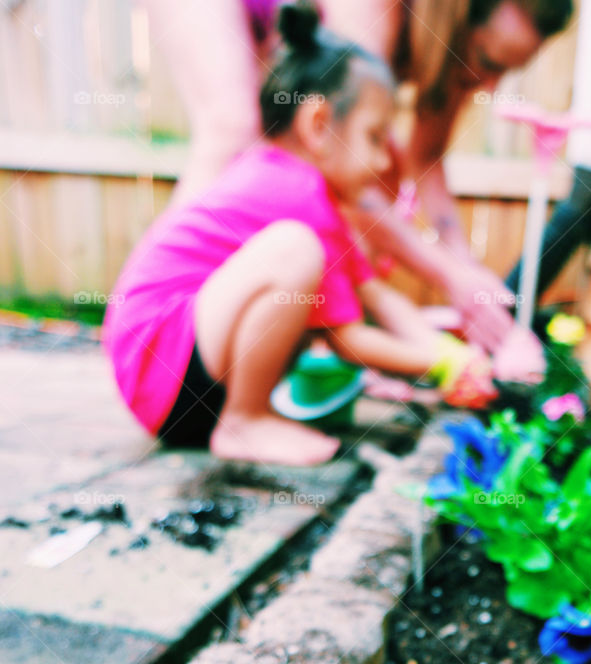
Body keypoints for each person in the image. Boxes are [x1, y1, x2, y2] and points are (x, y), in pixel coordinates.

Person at [103, 2, 494, 466]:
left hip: (174, 378)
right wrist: (440, 364)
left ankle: (246, 415)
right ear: (319, 125)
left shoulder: (313, 197)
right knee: (296, 250)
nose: (387, 161)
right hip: (164, 366)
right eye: (374, 136)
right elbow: (349, 338)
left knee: (303, 254)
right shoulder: (295, 194)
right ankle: (245, 421)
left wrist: (450, 355)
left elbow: (376, 297)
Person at [144, 0, 573, 353]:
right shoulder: (372, 11)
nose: (491, 84)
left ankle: (316, 332)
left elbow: (425, 159)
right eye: (487, 60)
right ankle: (157, 330)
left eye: (506, 71)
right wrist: (448, 281)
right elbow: (340, 156)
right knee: (233, 125)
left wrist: (466, 275)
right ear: (456, 15)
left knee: (379, 162)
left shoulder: (451, 59)